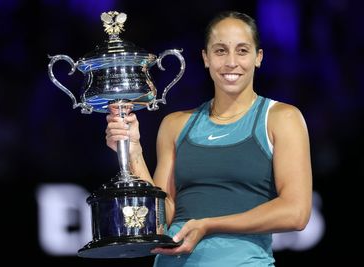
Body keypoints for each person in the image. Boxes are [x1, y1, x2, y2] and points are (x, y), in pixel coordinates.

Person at [105, 10, 312, 267]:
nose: (231, 62)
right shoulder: (175, 125)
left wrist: (209, 225)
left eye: (243, 50)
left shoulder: (282, 118)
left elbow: (297, 213)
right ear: (206, 57)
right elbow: (160, 219)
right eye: (220, 50)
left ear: (259, 57)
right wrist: (133, 150)